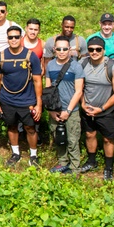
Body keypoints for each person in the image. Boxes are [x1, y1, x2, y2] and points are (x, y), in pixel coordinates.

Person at [0, 25, 43, 167]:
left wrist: (39, 103)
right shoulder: (1, 57)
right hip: (7, 100)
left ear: (21, 38)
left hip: (27, 100)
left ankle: (33, 155)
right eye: (10, 37)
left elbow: (37, 80)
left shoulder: (30, 56)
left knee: (30, 128)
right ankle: (16, 153)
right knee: (12, 126)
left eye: (16, 37)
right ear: (7, 39)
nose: (13, 39)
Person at [80, 37, 114, 180]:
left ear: (104, 50)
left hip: (106, 110)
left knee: (108, 139)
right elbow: (79, 86)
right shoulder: (83, 63)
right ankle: (92, 161)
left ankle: (108, 167)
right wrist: (82, 103)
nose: (94, 52)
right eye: (91, 49)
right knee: (89, 134)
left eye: (98, 49)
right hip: (87, 108)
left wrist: (103, 108)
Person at [45, 37, 85, 174]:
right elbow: (48, 88)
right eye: (59, 49)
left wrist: (68, 110)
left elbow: (79, 91)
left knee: (73, 140)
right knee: (58, 138)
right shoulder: (50, 65)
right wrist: (51, 110)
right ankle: (63, 162)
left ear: (70, 50)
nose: (62, 52)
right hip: (55, 109)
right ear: (54, 50)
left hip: (71, 110)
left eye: (65, 49)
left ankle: (75, 167)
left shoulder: (76, 66)